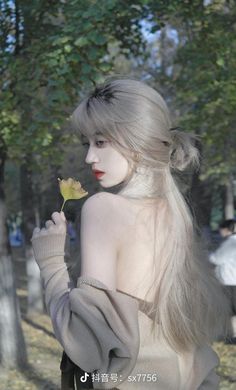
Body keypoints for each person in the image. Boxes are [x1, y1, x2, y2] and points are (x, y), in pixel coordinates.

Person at [31, 78, 229, 390]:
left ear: (135, 138)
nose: (89, 158)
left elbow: (86, 343)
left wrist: (51, 261)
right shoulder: (175, 216)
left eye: (101, 142)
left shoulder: (102, 208)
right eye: (88, 144)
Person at [209, 219, 236, 343]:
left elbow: (216, 259)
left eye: (221, 229)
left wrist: (205, 254)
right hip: (232, 282)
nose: (220, 231)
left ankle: (230, 336)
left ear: (226, 229)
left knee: (228, 311)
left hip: (229, 283)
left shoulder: (230, 243)